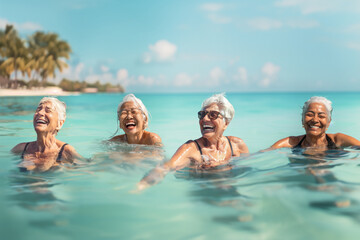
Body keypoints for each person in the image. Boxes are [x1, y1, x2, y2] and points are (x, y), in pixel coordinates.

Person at [136, 93, 249, 191]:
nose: (205, 119)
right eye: (202, 114)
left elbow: (248, 167)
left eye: (213, 115)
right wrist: (142, 185)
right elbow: (166, 167)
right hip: (205, 193)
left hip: (230, 190)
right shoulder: (191, 149)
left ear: (226, 123)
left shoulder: (237, 145)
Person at [11, 97, 84, 172]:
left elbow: (87, 169)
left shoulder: (65, 151)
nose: (40, 113)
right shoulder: (21, 149)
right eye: (38, 109)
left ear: (60, 123)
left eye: (48, 110)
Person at [270, 96, 360, 150]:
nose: (315, 120)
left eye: (321, 116)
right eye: (309, 114)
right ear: (302, 120)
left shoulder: (338, 140)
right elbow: (264, 153)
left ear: (328, 122)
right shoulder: (291, 143)